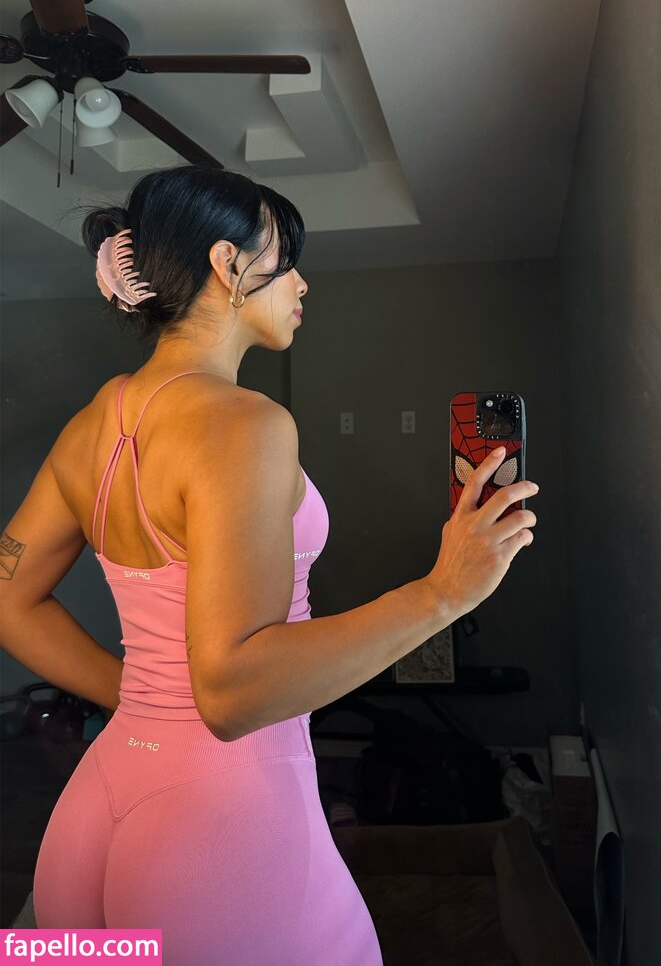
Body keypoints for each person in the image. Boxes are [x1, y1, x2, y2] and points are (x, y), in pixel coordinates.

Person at [0, 165, 539, 964]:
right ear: (227, 264)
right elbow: (232, 693)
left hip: (90, 822)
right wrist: (441, 594)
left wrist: (142, 699)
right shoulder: (245, 424)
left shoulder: (95, 423)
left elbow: (9, 597)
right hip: (214, 829)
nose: (302, 283)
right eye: (287, 261)